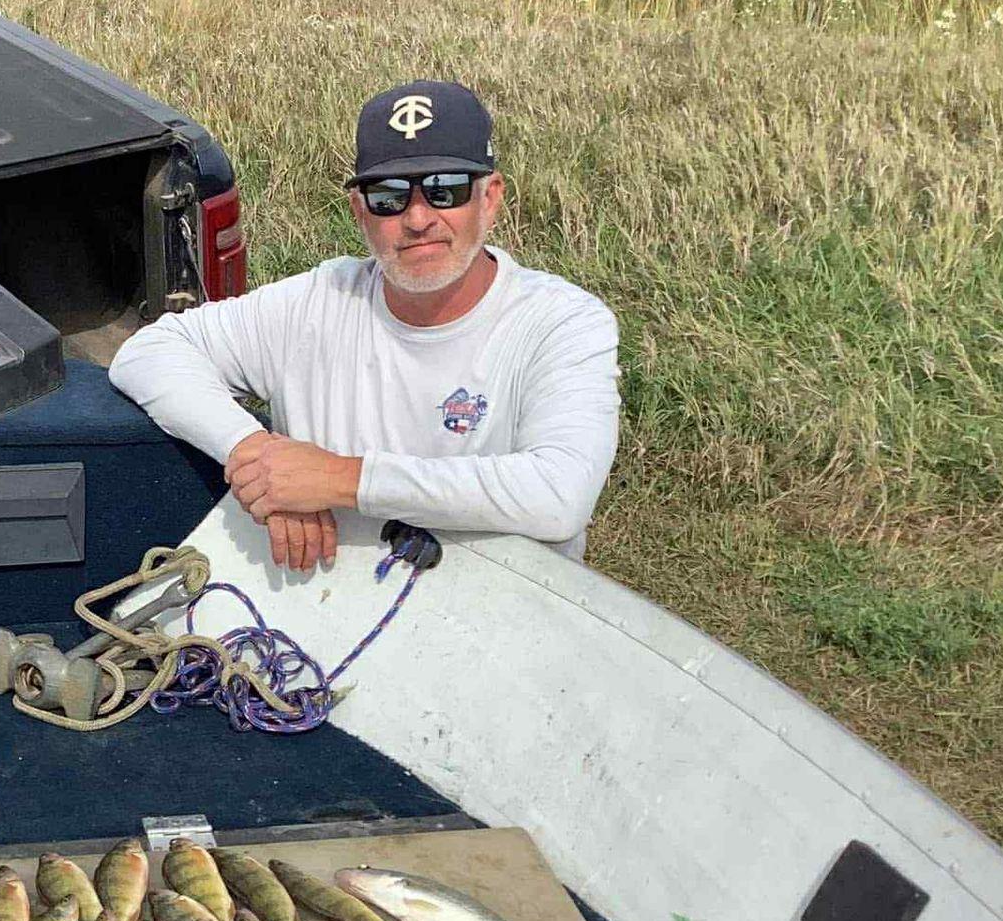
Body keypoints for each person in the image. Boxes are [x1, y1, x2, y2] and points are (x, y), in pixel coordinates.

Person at [109, 80, 621, 569]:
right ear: (360, 211)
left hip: (504, 615)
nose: (418, 218)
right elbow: (149, 352)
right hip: (338, 603)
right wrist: (259, 453)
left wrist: (340, 480)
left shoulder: (563, 322)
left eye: (444, 190)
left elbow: (559, 495)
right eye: (389, 196)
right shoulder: (320, 299)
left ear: (489, 198)